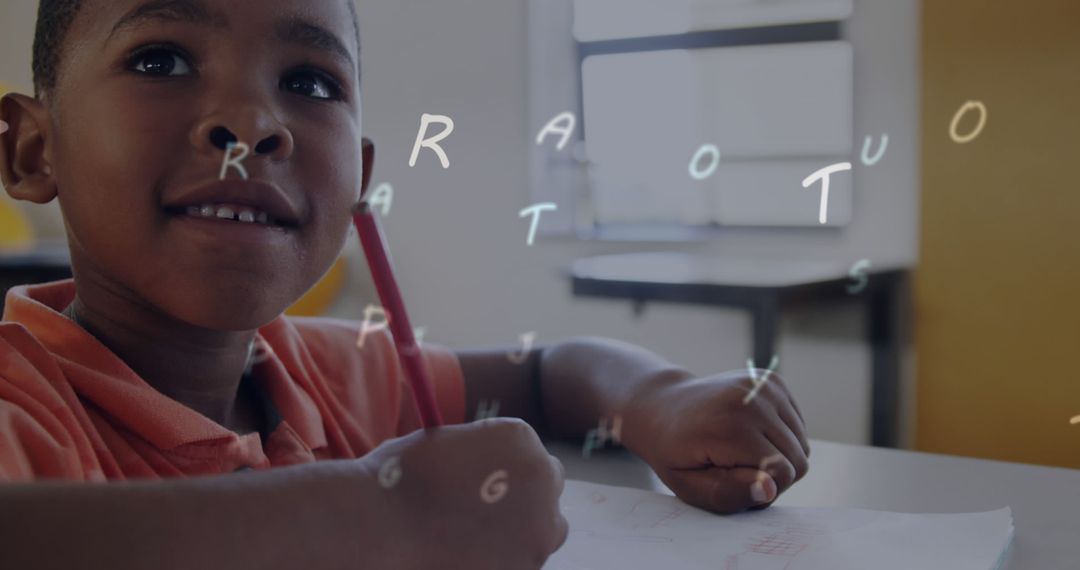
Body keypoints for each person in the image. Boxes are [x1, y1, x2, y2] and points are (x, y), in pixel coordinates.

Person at [0, 1, 809, 568]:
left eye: (311, 82)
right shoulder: (21, 401)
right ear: (33, 151)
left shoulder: (322, 374)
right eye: (160, 59)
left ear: (362, 181)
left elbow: (545, 372)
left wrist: (662, 397)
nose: (253, 124)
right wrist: (379, 519)